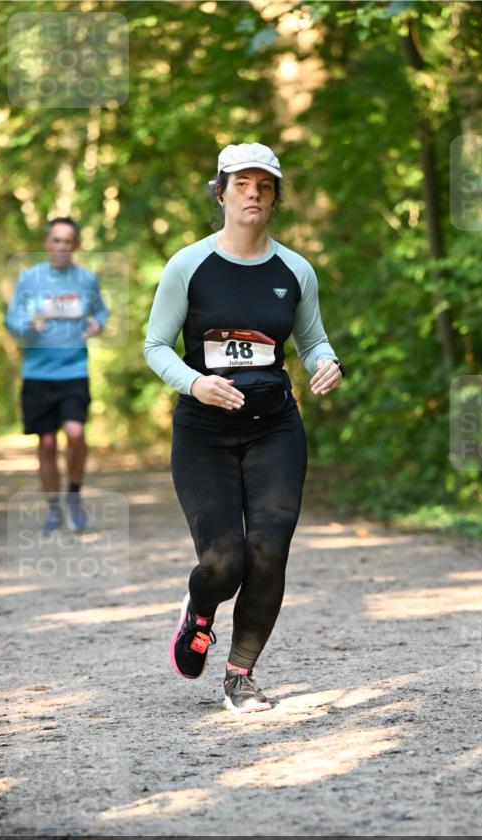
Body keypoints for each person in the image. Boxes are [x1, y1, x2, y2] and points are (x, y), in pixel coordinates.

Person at [145, 142, 345, 714]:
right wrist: (194, 383)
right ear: (221, 192)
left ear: (275, 197)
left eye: (264, 185)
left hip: (274, 428)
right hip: (204, 430)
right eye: (241, 184)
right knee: (223, 561)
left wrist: (325, 362)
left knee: (269, 552)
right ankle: (199, 612)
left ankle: (240, 675)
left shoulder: (295, 270)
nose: (252, 193)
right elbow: (156, 346)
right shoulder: (188, 265)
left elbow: (313, 339)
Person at [5, 217, 109, 533]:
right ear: (47, 243)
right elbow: (12, 321)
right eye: (56, 241)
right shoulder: (29, 279)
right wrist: (28, 324)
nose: (62, 247)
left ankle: (74, 495)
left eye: (68, 241)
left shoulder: (86, 280)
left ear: (74, 245)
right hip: (37, 373)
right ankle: (53, 509)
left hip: (74, 370)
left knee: (76, 434)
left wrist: (98, 324)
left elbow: (101, 310)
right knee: (47, 443)